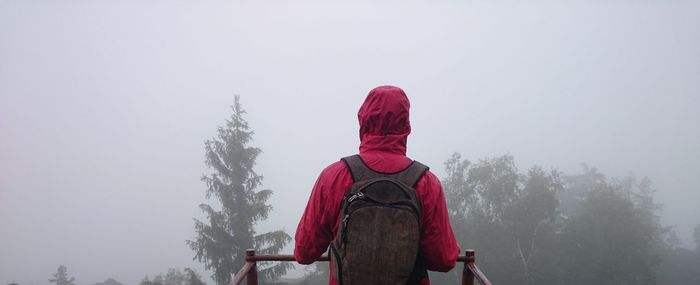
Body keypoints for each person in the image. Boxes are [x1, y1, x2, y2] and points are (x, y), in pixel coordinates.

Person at [294, 85, 460, 285]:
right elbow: (443, 260)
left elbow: (304, 252)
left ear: (362, 122)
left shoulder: (334, 176)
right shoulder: (426, 183)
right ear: (406, 127)